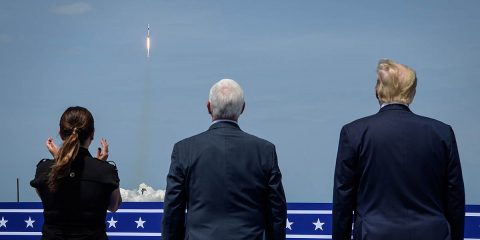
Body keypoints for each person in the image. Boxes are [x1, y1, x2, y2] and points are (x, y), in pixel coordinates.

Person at [332, 59, 465, 240]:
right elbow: (455, 200)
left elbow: (343, 201)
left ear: (377, 90)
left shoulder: (354, 133)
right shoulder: (442, 133)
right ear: (412, 92)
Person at [162, 79, 287, 240]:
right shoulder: (265, 151)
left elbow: (173, 212)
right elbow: (277, 212)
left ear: (209, 107)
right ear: (242, 108)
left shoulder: (184, 150)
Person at [31, 106, 122, 240]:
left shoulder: (44, 169)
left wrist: (59, 159)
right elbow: (114, 206)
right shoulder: (105, 171)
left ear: (61, 133)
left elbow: (47, 197)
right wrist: (100, 167)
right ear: (92, 134)